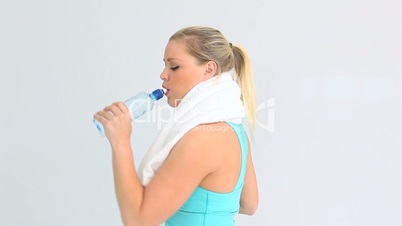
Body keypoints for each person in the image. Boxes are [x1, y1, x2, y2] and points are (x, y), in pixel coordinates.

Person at [93, 26, 259, 226]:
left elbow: (138, 221)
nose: (163, 75)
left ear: (209, 69)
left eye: (174, 67)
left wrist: (120, 142)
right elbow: (249, 204)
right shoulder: (234, 130)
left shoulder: (201, 139)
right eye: (164, 65)